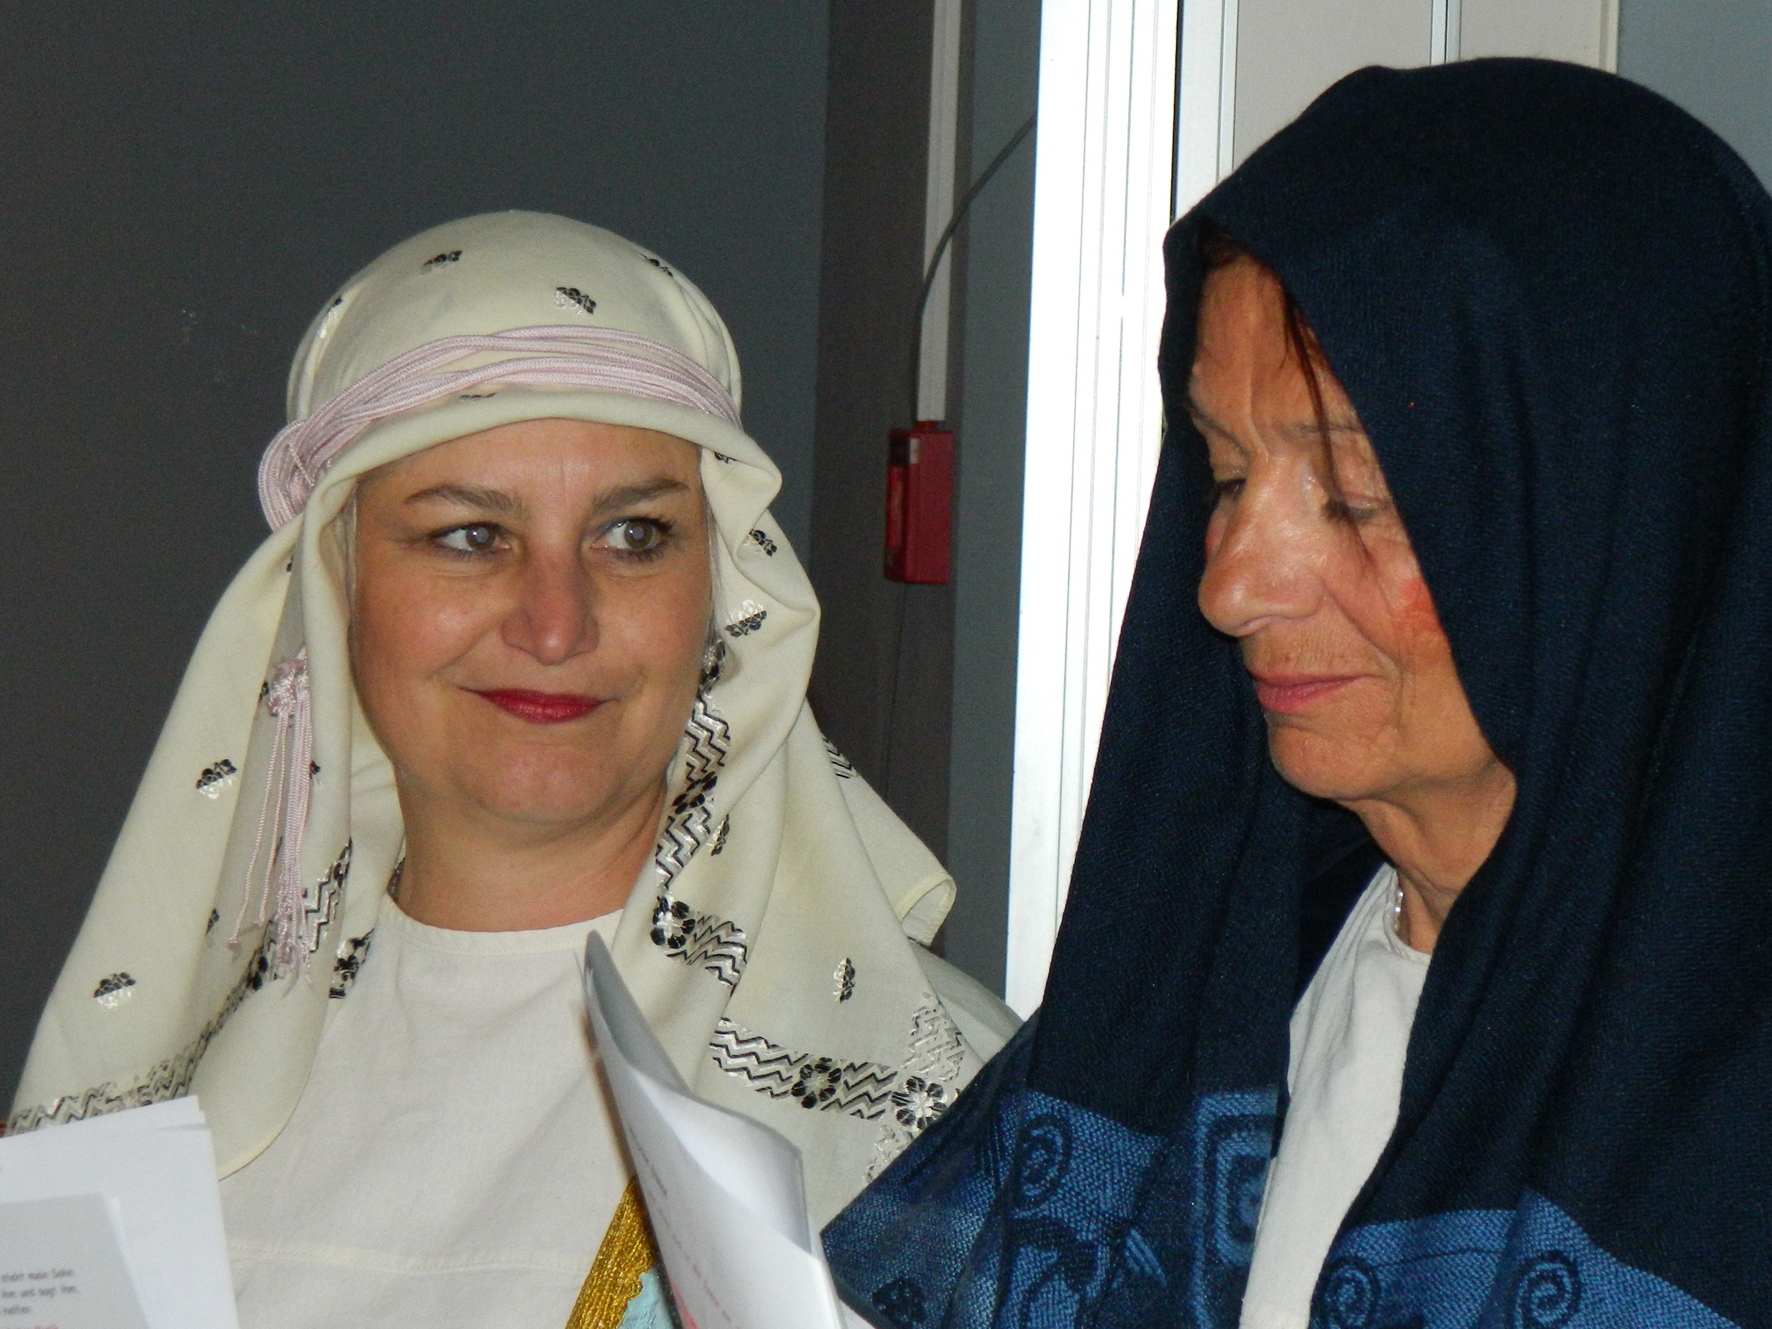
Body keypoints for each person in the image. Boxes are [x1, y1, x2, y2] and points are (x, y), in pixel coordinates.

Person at [825, 58, 1772, 1328]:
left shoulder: (1723, 1154)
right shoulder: (1202, 1013)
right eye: (1223, 478)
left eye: (1354, 498)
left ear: (1624, 527)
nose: (1228, 589)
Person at [9, 212, 1017, 1328]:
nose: (554, 624)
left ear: (722, 593)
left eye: (633, 535)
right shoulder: (169, 1099)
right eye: (469, 536)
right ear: (334, 583)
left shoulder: (942, 1129)